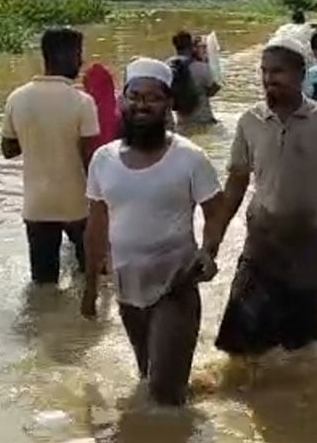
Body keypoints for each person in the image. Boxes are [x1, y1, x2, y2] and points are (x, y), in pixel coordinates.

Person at [204, 34, 317, 357]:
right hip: (260, 247)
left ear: (300, 74)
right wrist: (211, 246)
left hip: (307, 248)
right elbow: (235, 185)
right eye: (264, 71)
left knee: (301, 351)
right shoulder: (250, 121)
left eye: (277, 72)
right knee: (240, 349)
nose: (268, 79)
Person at [81, 57, 223, 406]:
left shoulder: (190, 157)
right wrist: (89, 288)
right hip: (127, 286)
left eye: (153, 97)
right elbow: (96, 225)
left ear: (169, 104)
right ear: (122, 101)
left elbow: (216, 210)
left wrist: (208, 250)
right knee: (147, 377)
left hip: (175, 283)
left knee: (162, 394)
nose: (142, 104)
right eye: (134, 96)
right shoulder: (103, 159)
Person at [1, 28, 100, 286]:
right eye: (78, 54)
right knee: (92, 277)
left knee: (43, 285)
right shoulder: (82, 101)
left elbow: (8, 150)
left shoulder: (17, 98)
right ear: (62, 55)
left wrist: (36, 134)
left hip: (37, 207)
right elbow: (90, 159)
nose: (81, 62)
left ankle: (46, 324)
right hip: (78, 206)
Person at [168, 31, 220, 126]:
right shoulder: (201, 68)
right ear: (192, 46)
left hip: (181, 123)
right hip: (203, 121)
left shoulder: (168, 67)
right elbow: (214, 90)